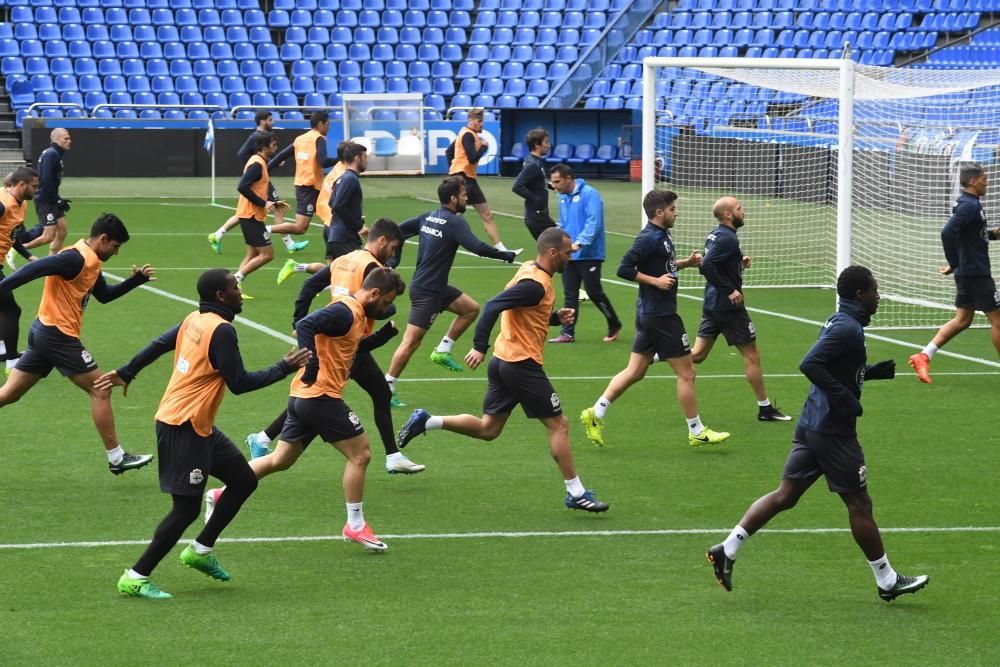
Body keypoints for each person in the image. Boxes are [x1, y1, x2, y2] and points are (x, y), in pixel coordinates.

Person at [707, 265, 929, 602]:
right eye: (874, 291)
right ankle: (887, 580)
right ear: (860, 295)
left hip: (812, 424)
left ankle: (728, 548)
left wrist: (865, 374)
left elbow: (833, 366)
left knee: (786, 495)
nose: (878, 297)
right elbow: (810, 364)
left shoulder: (841, 322)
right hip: (833, 432)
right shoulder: (848, 329)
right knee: (859, 503)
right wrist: (844, 397)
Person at [100, 269, 311, 599]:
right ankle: (135, 575)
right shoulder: (222, 330)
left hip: (196, 425)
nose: (240, 291)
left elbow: (160, 343)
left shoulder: (195, 318)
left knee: (243, 480)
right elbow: (239, 383)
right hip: (183, 427)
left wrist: (129, 370)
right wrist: (283, 368)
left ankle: (199, 550)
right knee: (185, 510)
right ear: (220, 297)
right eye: (235, 287)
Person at [396, 228, 609, 513]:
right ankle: (576, 492)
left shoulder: (529, 270)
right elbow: (494, 305)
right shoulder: (536, 284)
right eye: (568, 253)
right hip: (521, 365)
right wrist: (478, 345)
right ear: (552, 252)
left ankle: (428, 421)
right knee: (559, 425)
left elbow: (521, 311)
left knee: (489, 429)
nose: (571, 258)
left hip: (504, 360)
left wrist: (555, 318)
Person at [207, 268, 407, 553]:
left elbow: (349, 349)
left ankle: (222, 493)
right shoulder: (345, 311)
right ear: (374, 293)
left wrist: (384, 336)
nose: (386, 308)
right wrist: (311, 365)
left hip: (304, 397)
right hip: (320, 397)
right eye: (386, 302)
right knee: (360, 455)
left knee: (280, 459)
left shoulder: (356, 315)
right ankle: (355, 524)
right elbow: (305, 326)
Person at [246, 218, 426, 474]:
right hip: (347, 342)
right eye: (393, 247)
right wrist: (389, 312)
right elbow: (375, 302)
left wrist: (298, 320)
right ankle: (391, 458)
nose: (393, 254)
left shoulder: (345, 258)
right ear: (382, 240)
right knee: (331, 402)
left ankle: (263, 438)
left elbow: (310, 285)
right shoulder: (374, 269)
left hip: (340, 337)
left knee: (312, 402)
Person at [0, 213, 155, 473]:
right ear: (103, 239)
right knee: (101, 389)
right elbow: (35, 269)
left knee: (9, 393)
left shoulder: (90, 260)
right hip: (57, 336)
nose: (116, 253)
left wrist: (134, 281)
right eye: (115, 247)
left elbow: (104, 295)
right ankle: (117, 458)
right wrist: (3, 286)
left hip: (43, 332)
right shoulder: (75, 258)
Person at [579, 190, 729, 448]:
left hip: (650, 315)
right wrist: (655, 281)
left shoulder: (662, 236)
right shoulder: (648, 237)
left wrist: (686, 263)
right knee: (687, 372)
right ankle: (696, 430)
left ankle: (596, 412)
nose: (676, 212)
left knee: (635, 371)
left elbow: (664, 266)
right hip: (661, 316)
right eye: (672, 209)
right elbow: (624, 268)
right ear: (659, 213)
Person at [384, 176, 516, 407]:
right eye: (464, 195)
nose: (467, 198)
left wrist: (394, 257)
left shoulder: (428, 217)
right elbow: (476, 247)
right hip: (427, 292)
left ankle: (443, 349)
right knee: (410, 342)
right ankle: (388, 386)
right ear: (454, 198)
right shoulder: (455, 222)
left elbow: (397, 232)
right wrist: (505, 255)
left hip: (435, 287)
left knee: (470, 309)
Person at [690, 196, 790, 422]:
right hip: (729, 308)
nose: (743, 211)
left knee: (697, 355)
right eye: (738, 208)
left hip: (711, 304)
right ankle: (765, 409)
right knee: (752, 356)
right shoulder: (727, 239)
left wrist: (737, 262)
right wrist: (729, 290)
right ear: (727, 215)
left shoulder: (715, 234)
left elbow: (709, 264)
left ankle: (657, 355)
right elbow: (707, 266)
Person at [909, 162, 1000, 383]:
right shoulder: (969, 206)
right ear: (973, 181)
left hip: (968, 271)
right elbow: (947, 232)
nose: (987, 182)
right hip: (975, 273)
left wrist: (994, 235)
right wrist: (953, 262)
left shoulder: (969, 204)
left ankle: (924, 355)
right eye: (984, 178)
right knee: (998, 321)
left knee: (962, 320)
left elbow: (970, 235)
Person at [207, 110, 309, 255]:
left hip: (260, 177)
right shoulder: (256, 137)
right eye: (270, 120)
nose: (272, 122)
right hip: (258, 180)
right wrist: (253, 171)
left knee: (245, 213)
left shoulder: (262, 138)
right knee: (274, 208)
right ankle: (289, 244)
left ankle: (218, 234)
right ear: (262, 121)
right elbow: (241, 154)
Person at [546, 163, 622, 344]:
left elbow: (593, 223)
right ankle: (568, 333)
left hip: (590, 254)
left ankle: (614, 323)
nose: (554, 186)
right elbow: (564, 224)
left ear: (568, 179)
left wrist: (579, 243)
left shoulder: (590, 194)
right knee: (570, 294)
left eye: (557, 182)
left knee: (594, 292)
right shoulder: (562, 197)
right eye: (553, 182)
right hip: (569, 254)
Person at [276, 140, 352, 285]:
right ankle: (317, 284)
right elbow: (339, 202)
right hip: (337, 226)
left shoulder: (337, 168)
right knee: (352, 265)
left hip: (329, 224)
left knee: (332, 268)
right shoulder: (344, 175)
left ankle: (297, 267)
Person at [447, 108, 519, 255]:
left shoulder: (467, 134)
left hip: (468, 178)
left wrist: (453, 170)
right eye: (479, 121)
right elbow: (472, 157)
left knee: (486, 214)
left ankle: (501, 249)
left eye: (482, 121)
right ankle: (442, 240)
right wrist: (484, 147)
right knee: (457, 215)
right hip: (463, 178)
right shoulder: (468, 134)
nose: (481, 124)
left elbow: (449, 152)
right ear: (471, 121)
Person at [231, 132, 288, 299]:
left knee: (253, 254)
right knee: (267, 254)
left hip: (250, 214)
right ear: (264, 147)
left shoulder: (261, 162)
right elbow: (242, 186)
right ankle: (235, 280)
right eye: (274, 145)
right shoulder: (257, 164)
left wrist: (272, 202)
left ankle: (235, 289)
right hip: (250, 215)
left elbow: (256, 188)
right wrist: (264, 203)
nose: (275, 148)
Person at [269, 110, 337, 239]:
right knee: (300, 228)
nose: (329, 127)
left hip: (306, 186)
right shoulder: (319, 139)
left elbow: (282, 155)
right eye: (328, 124)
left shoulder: (300, 139)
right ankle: (263, 230)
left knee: (331, 214)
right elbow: (323, 162)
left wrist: (266, 168)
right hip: (309, 188)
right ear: (320, 124)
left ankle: (337, 244)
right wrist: (341, 157)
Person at [0, 167, 38, 375]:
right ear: (21, 185)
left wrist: (29, 256)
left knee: (3, 307)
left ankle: (2, 349)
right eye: (34, 187)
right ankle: (12, 361)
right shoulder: (3, 204)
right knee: (13, 310)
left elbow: (12, 235)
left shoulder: (21, 204)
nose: (36, 190)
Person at [19, 128, 72, 256]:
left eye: (69, 138)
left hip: (51, 198)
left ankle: (53, 262)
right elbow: (46, 180)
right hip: (46, 200)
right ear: (55, 139)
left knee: (62, 231)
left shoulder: (54, 154)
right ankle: (17, 249)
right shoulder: (52, 154)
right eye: (66, 138)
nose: (69, 141)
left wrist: (58, 199)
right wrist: (58, 200)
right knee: (48, 236)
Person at [511, 128, 556, 240]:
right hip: (537, 217)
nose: (548, 145)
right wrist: (536, 199)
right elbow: (517, 186)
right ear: (537, 145)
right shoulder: (533, 164)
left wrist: (550, 185)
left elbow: (535, 181)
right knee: (562, 244)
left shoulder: (534, 161)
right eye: (546, 142)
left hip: (539, 216)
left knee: (552, 250)